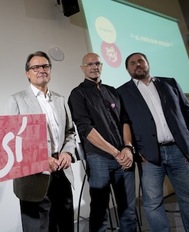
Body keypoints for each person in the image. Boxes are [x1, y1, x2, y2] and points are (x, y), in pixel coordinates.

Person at [118, 52, 189, 231]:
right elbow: (124, 125)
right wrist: (135, 152)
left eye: (140, 60)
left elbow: (188, 113)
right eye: (132, 63)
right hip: (149, 157)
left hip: (179, 151)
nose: (137, 65)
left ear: (147, 63)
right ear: (127, 69)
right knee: (153, 204)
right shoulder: (122, 92)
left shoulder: (169, 83)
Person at [5, 51, 76, 232]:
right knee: (38, 228)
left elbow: (70, 133)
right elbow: (11, 142)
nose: (41, 70)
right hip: (33, 176)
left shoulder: (60, 99)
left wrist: (67, 152)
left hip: (61, 171)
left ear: (50, 70)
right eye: (35, 67)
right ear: (27, 73)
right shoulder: (16, 100)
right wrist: (41, 159)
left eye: (45, 66)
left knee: (64, 225)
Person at [68, 52, 137, 232]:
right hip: (99, 158)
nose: (94, 67)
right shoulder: (77, 94)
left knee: (128, 209)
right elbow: (85, 128)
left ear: (102, 66)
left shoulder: (113, 91)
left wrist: (128, 148)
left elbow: (125, 121)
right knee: (100, 210)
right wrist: (116, 152)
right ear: (83, 68)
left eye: (97, 63)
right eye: (89, 64)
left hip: (125, 157)